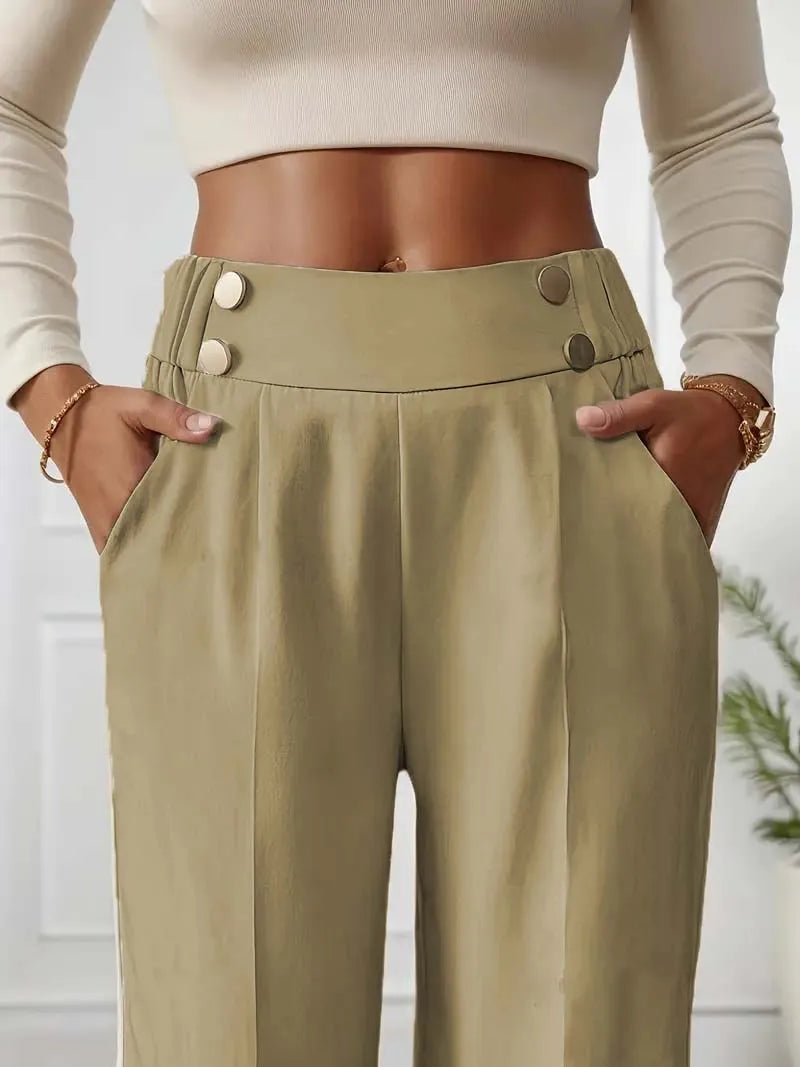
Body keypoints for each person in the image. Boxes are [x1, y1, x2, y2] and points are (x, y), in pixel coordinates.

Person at [0, 2, 792, 1065]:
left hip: (570, 440)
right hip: (232, 444)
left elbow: (720, 124)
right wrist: (49, 387)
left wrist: (733, 387)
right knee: (226, 1025)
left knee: (580, 1013)